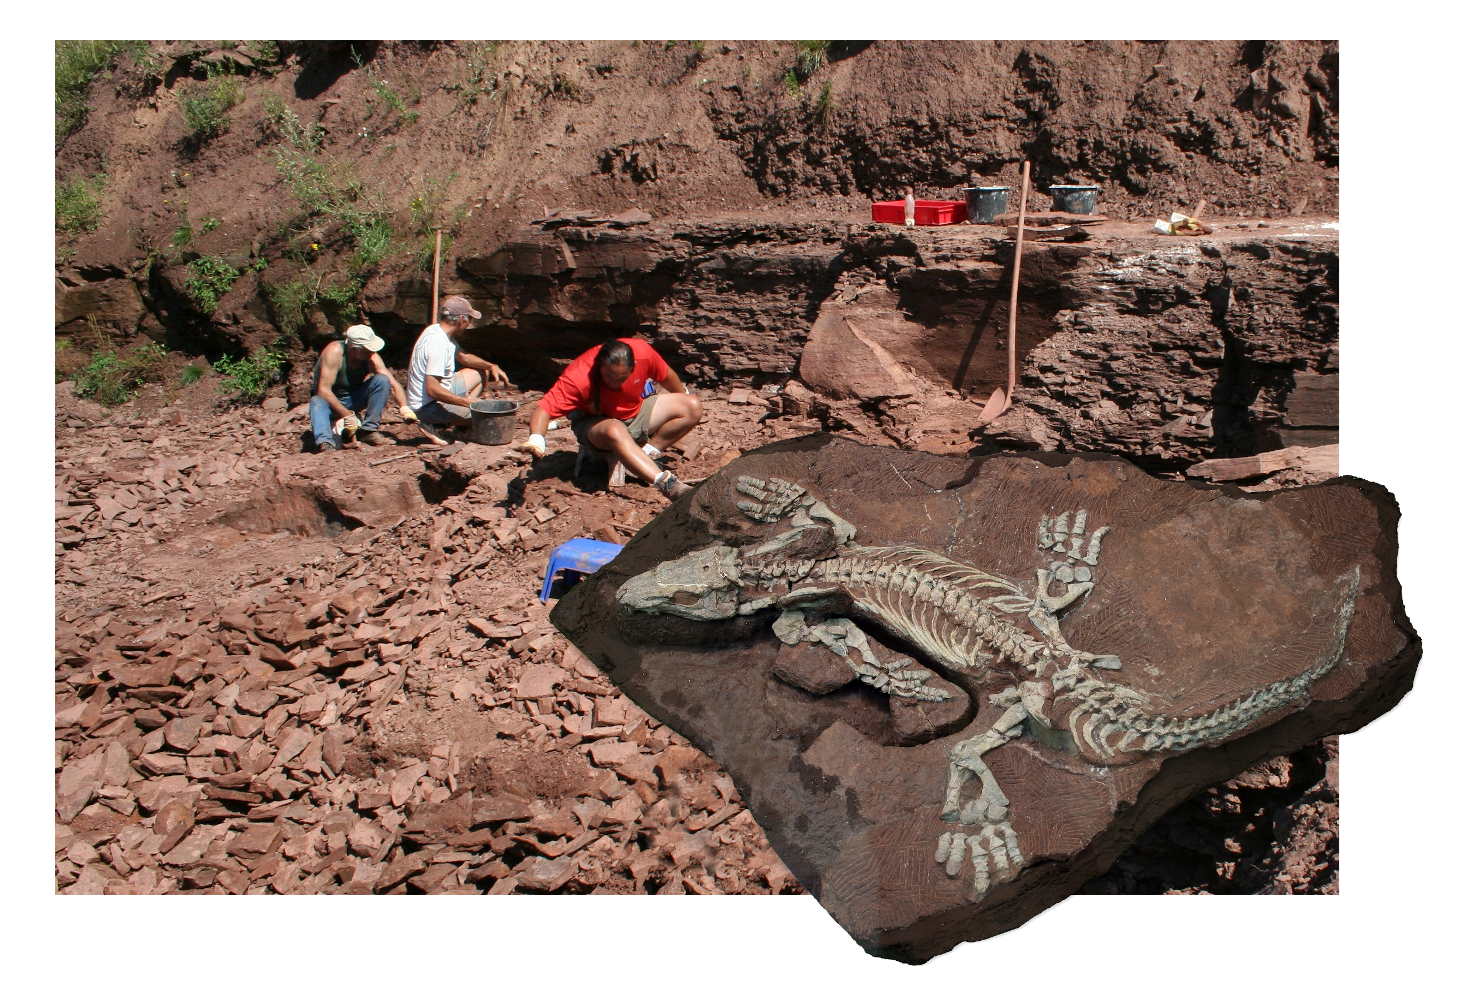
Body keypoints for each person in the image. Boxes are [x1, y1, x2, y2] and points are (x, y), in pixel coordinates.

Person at [523, 336, 702, 501]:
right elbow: (543, 409)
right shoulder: (579, 376)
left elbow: (667, 375)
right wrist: (537, 438)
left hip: (636, 412)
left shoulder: (643, 353)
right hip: (598, 426)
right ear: (600, 366)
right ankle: (666, 484)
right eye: (609, 377)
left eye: (623, 378)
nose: (615, 383)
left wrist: (682, 396)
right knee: (615, 430)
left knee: (692, 406)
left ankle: (646, 454)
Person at [407, 295, 509, 445]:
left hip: (437, 393)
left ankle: (461, 425)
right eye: (469, 320)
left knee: (480, 372)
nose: (469, 324)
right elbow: (433, 390)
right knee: (484, 414)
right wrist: (467, 403)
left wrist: (491, 366)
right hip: (428, 407)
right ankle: (436, 425)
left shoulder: (437, 330)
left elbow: (464, 357)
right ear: (461, 320)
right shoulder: (437, 346)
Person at [309, 324, 416, 452]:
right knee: (316, 401)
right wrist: (347, 415)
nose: (371, 353)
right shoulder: (335, 352)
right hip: (329, 403)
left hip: (354, 399)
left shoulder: (371, 357)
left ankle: (368, 431)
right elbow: (323, 390)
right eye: (367, 350)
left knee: (382, 380)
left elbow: (392, 382)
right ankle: (325, 443)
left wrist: (404, 407)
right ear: (353, 348)